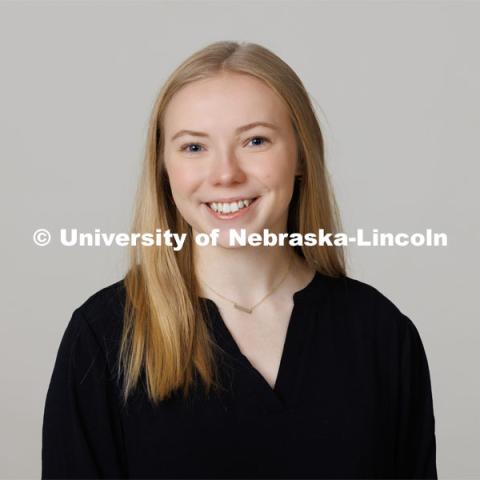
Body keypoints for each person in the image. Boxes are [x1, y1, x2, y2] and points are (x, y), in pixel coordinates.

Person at [41, 41, 438, 479]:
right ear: (164, 167)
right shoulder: (103, 339)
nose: (226, 173)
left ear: (302, 155)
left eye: (255, 140)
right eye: (194, 147)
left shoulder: (382, 334)